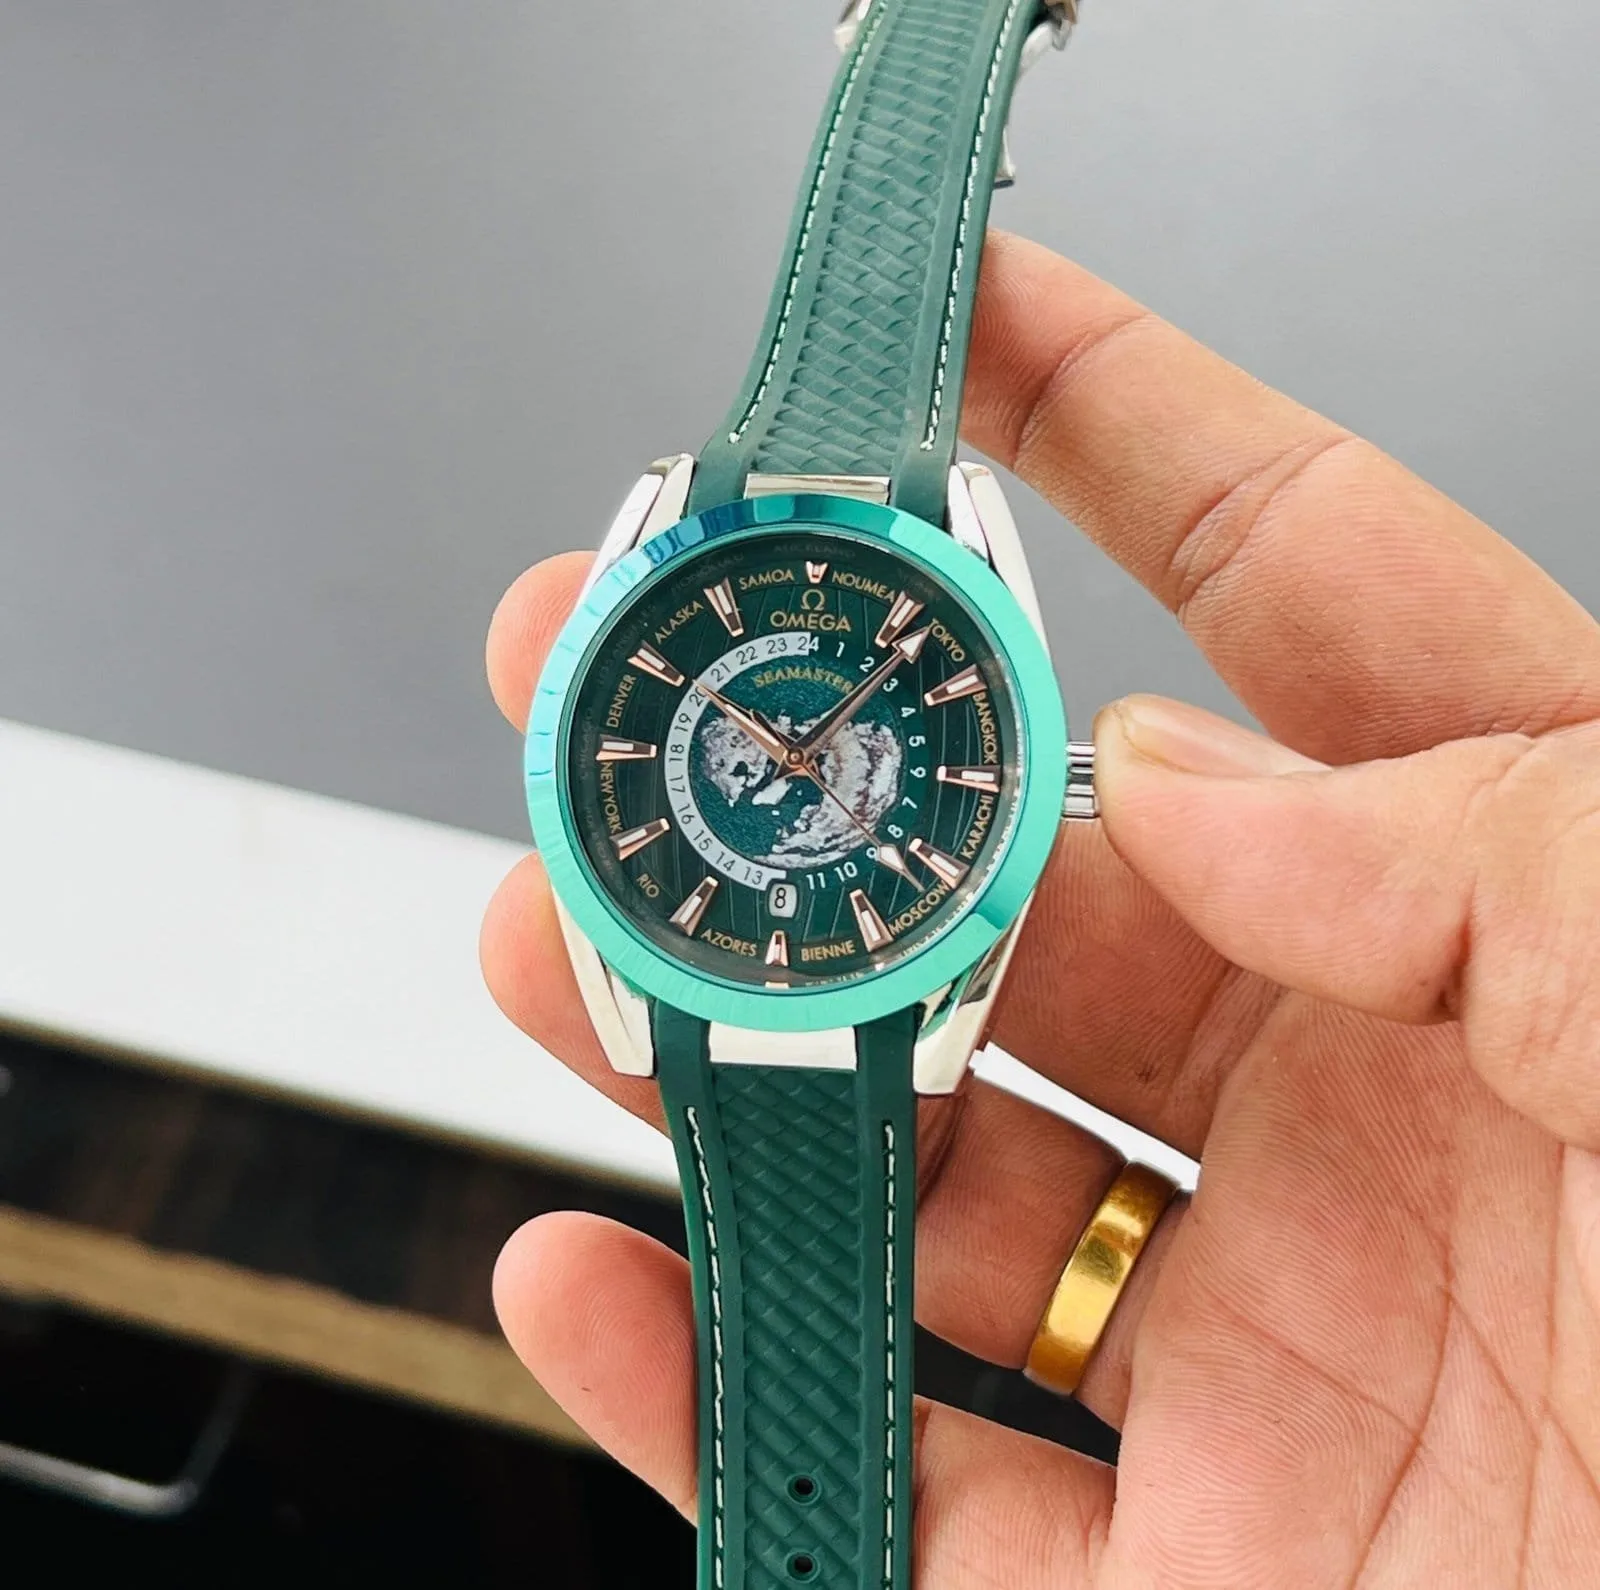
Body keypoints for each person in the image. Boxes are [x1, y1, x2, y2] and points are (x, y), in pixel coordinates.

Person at [480, 231, 1600, 1585]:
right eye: (773, 749)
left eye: (814, 748)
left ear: (1029, 784)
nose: (795, 761)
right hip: (733, 968)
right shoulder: (767, 561)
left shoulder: (802, 559)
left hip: (809, 965)